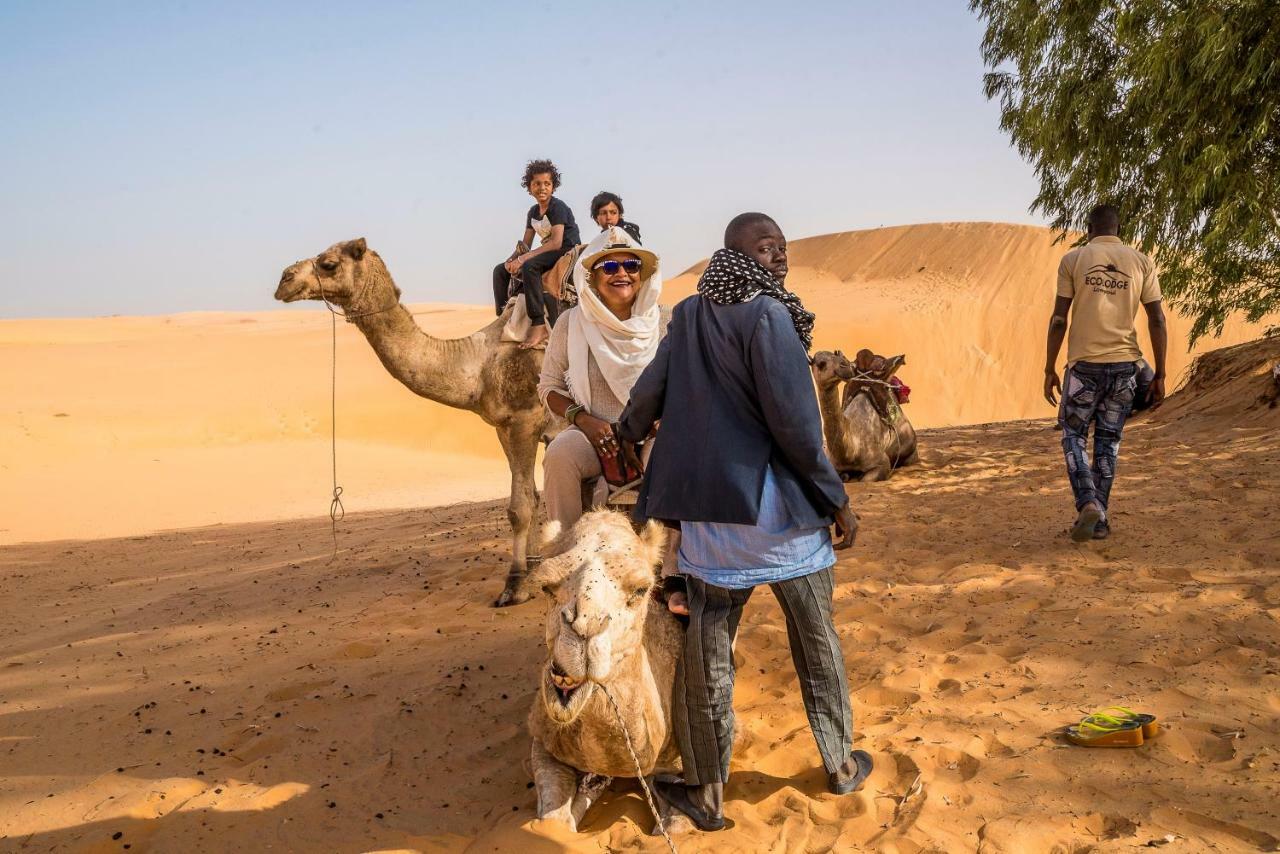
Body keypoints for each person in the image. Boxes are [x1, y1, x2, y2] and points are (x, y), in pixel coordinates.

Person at [618, 212, 871, 832]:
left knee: (710, 658)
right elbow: (794, 422)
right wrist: (835, 496)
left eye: (783, 246)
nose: (780, 255)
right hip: (777, 517)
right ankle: (839, 765)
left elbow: (652, 387)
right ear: (738, 254)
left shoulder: (690, 314)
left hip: (710, 524)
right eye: (766, 247)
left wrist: (626, 434)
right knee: (816, 642)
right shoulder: (769, 314)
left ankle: (706, 795)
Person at [1044, 204, 1167, 542]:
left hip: (1083, 368)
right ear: (1118, 228)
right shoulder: (1141, 261)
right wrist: (1161, 374)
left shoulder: (1074, 260)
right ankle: (1100, 519)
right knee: (1108, 443)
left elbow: (1058, 319)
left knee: (1072, 434)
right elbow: (1157, 319)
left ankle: (1087, 502)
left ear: (1088, 228)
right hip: (1126, 369)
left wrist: (1048, 367)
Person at [537, 228, 666, 529]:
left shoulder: (665, 321)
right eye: (609, 266)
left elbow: (688, 386)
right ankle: (565, 552)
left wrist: (666, 420)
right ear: (591, 277)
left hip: (653, 434)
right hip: (597, 434)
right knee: (559, 456)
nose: (621, 273)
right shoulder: (571, 323)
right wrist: (584, 421)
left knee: (670, 459)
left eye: (631, 265)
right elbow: (549, 386)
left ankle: (674, 567)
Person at [492, 159, 581, 349]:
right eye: (537, 183)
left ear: (553, 186)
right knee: (499, 271)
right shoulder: (533, 211)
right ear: (529, 187)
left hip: (565, 251)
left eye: (547, 183)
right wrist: (511, 260)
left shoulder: (558, 207)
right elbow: (525, 244)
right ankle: (503, 317)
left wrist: (523, 259)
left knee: (529, 266)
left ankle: (538, 323)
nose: (542, 188)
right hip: (547, 251)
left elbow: (556, 242)